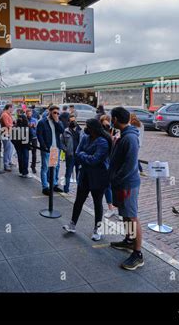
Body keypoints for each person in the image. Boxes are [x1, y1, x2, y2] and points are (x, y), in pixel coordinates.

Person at [62, 119, 112, 241]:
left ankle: (97, 229)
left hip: (99, 176)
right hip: (85, 174)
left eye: (88, 126)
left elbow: (94, 159)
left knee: (97, 203)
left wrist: (83, 156)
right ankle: (72, 225)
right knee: (79, 200)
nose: (85, 128)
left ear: (94, 128)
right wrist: (85, 156)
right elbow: (77, 152)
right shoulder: (85, 137)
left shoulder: (103, 141)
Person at [109, 107, 143, 271]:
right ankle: (129, 240)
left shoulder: (130, 138)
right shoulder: (124, 135)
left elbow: (129, 166)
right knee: (125, 214)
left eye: (111, 118)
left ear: (115, 119)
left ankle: (138, 254)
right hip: (122, 183)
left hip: (127, 183)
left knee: (132, 216)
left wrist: (115, 179)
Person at [36, 105, 64, 195]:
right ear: (50, 112)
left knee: (55, 167)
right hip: (47, 149)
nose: (56, 114)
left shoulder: (58, 121)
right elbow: (39, 135)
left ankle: (54, 184)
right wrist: (44, 146)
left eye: (57, 113)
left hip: (56, 148)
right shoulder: (42, 122)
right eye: (54, 112)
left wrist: (57, 121)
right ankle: (45, 187)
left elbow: (62, 131)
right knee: (45, 168)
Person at [100, 114, 118, 217]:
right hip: (105, 161)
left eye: (108, 120)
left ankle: (119, 209)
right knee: (107, 186)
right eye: (104, 121)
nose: (106, 122)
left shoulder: (114, 131)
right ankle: (110, 207)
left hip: (113, 161)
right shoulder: (100, 132)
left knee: (114, 186)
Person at [60, 114, 82, 193]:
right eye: (71, 121)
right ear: (69, 121)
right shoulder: (65, 131)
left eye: (74, 120)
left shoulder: (80, 131)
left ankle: (80, 190)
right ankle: (66, 189)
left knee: (79, 174)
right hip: (70, 156)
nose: (73, 122)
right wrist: (66, 150)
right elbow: (61, 142)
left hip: (79, 156)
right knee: (68, 173)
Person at [13, 109, 31, 178]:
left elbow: (12, 138)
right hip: (25, 145)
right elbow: (31, 135)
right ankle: (25, 172)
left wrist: (15, 143)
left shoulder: (15, 127)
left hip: (18, 145)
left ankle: (21, 171)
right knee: (25, 158)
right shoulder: (26, 127)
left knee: (20, 158)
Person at [0, 104, 14, 171]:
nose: (12, 110)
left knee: (9, 149)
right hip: (6, 133)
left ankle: (8, 162)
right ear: (9, 108)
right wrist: (13, 125)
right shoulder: (5, 114)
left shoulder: (8, 114)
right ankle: (6, 164)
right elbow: (7, 124)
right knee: (7, 149)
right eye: (12, 108)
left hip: (8, 133)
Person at [26, 108, 38, 174]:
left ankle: (33, 166)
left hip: (34, 138)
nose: (29, 115)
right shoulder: (24, 120)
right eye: (28, 113)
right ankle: (25, 166)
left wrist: (33, 126)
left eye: (30, 113)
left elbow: (37, 128)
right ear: (26, 114)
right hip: (26, 138)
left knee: (34, 153)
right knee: (26, 153)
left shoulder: (35, 120)